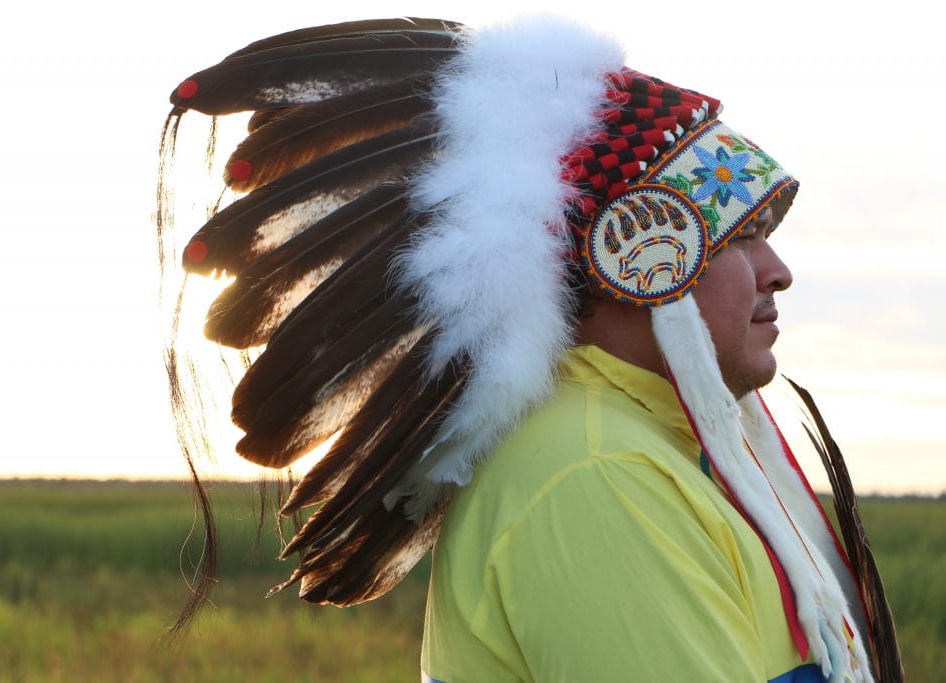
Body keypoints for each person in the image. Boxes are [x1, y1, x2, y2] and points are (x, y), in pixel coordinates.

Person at [159, 14, 900, 682]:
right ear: (634, 257)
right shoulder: (595, 475)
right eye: (741, 235)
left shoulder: (661, 450)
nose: (778, 270)